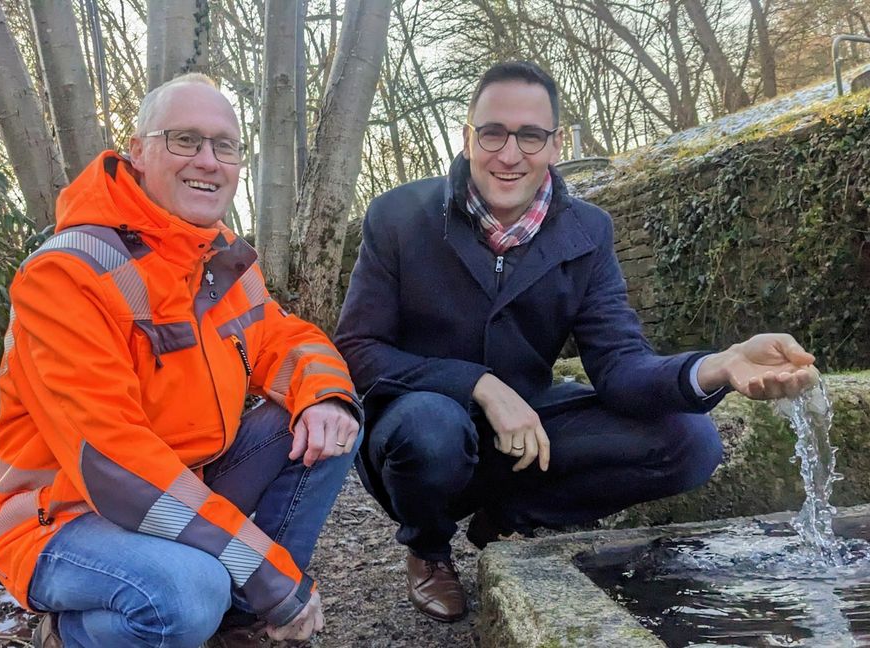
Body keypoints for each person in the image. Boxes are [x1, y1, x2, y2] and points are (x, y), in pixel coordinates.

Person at [333, 60, 817, 623]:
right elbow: (360, 348)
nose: (509, 154)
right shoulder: (397, 215)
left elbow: (619, 366)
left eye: (530, 135)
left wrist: (718, 365)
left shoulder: (589, 231)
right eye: (492, 133)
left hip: (528, 432)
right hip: (418, 433)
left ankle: (513, 514)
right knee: (430, 428)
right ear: (468, 139)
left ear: (556, 144)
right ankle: (429, 549)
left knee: (690, 442)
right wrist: (479, 385)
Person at [0, 73, 362, 648]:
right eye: (185, 140)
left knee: (330, 423)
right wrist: (269, 573)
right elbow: (115, 464)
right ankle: (72, 634)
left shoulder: (218, 257)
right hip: (62, 518)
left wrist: (326, 396)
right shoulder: (66, 274)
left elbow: (286, 340)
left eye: (224, 145)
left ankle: (240, 625)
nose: (208, 160)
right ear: (137, 152)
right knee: (188, 592)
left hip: (181, 490)